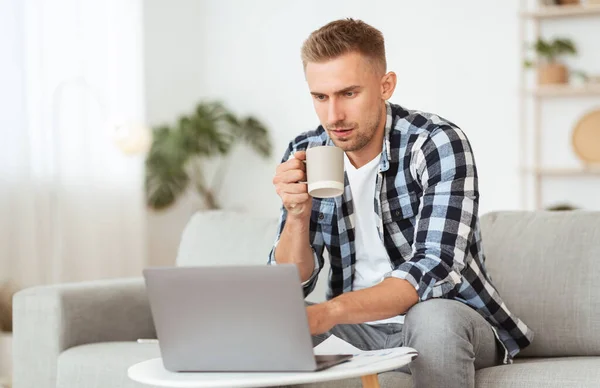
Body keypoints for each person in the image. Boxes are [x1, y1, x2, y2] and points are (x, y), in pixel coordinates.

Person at [268, 18, 533, 388]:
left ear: (385, 85)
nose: (334, 116)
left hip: (446, 318)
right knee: (269, 324)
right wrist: (297, 217)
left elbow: (433, 269)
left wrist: (331, 312)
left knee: (432, 320)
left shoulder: (436, 143)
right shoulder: (304, 151)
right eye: (320, 97)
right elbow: (290, 282)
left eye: (349, 93)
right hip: (355, 330)